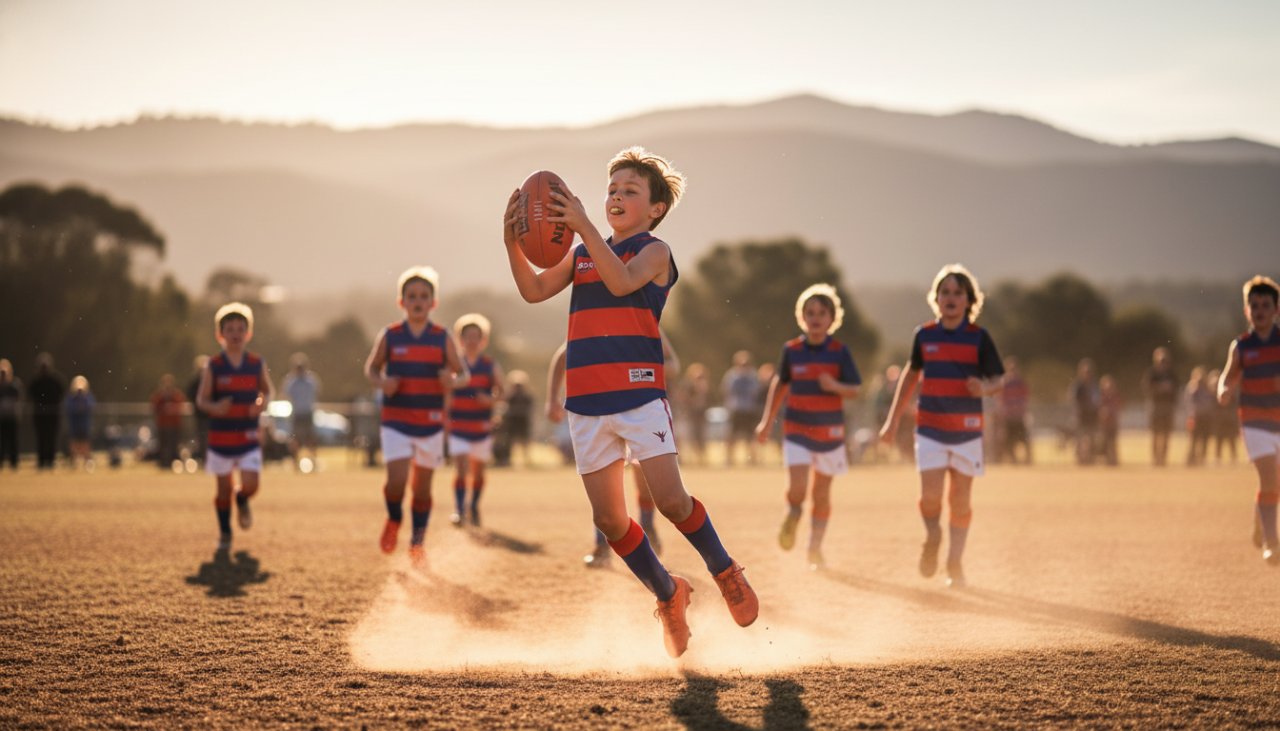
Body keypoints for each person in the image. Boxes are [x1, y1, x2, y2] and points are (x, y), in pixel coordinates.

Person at [502, 146, 757, 657]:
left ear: (655, 209)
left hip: (639, 398)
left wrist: (582, 225)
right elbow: (532, 290)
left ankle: (725, 570)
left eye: (630, 191)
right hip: (587, 405)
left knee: (671, 502)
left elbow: (621, 282)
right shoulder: (580, 255)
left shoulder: (655, 253)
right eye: (612, 190)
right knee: (610, 521)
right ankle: (669, 593)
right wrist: (511, 240)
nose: (616, 196)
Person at [878, 264, 1005, 589]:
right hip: (931, 430)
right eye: (945, 292)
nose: (950, 298)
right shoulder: (924, 335)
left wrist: (984, 388)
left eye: (957, 293)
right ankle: (933, 535)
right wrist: (892, 422)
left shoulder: (980, 338)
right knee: (931, 497)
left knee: (960, 501)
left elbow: (998, 379)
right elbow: (909, 376)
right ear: (936, 298)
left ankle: (955, 563)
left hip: (967, 433)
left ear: (969, 300)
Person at [364, 266, 469, 570]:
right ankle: (394, 518)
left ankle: (417, 542)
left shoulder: (441, 337)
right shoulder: (391, 335)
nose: (418, 301)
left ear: (433, 302)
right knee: (396, 483)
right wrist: (382, 382)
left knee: (422, 490)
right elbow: (371, 368)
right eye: (411, 296)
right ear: (402, 302)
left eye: (424, 296)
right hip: (396, 421)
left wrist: (452, 381)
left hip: (430, 425)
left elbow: (463, 374)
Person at [547, 331, 680, 569]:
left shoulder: (645, 319)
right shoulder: (595, 319)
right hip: (601, 409)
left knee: (645, 479)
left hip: (642, 409)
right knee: (604, 485)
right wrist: (552, 398)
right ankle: (601, 546)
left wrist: (638, 371)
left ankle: (647, 526)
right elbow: (563, 356)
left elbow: (673, 365)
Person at [755, 283, 862, 571]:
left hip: (830, 435)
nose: (815, 318)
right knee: (798, 489)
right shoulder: (792, 350)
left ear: (832, 318)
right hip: (798, 431)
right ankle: (792, 513)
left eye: (821, 313)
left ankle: (815, 548)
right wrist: (766, 421)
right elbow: (780, 385)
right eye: (810, 312)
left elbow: (854, 389)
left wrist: (834, 385)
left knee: (822, 495)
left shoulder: (840, 352)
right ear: (802, 317)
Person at [195, 303, 274, 552]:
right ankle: (225, 533)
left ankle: (242, 499)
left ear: (248, 333)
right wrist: (216, 408)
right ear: (221, 334)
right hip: (221, 437)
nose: (236, 333)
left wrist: (262, 403)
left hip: (248, 434)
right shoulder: (214, 365)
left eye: (241, 328)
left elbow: (268, 391)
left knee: (251, 485)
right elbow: (202, 400)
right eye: (230, 329)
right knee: (222, 489)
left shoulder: (255, 363)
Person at [1215, 275, 1280, 566]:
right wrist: (1224, 390)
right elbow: (1227, 377)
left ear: (1276, 309)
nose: (1260, 310)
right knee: (1268, 477)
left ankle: (1260, 515)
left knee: (1273, 484)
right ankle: (1271, 541)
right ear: (1246, 311)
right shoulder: (1241, 347)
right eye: (1254, 305)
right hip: (1254, 423)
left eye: (1266, 305)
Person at [447, 313, 505, 528]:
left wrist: (490, 399)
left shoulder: (489, 365)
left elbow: (502, 391)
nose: (471, 341)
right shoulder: (454, 365)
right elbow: (444, 390)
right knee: (461, 467)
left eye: (476, 337)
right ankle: (460, 510)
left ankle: (474, 506)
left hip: (481, 427)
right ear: (460, 339)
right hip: (458, 426)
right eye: (467, 337)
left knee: (478, 472)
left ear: (483, 340)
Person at [281, 352, 322, 472]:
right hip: (297, 414)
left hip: (308, 413)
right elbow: (285, 395)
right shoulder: (291, 381)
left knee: (311, 439)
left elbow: (316, 393)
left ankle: (313, 461)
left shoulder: (311, 380)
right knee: (295, 440)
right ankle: (295, 462)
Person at [721, 350, 760, 467]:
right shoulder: (732, 376)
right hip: (736, 409)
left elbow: (756, 392)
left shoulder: (753, 376)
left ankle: (752, 459)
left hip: (749, 410)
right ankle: (729, 459)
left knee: (750, 436)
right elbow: (726, 391)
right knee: (731, 436)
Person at [1141, 347, 1179, 467]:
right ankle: (1155, 458)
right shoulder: (1151, 373)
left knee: (1166, 434)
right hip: (1155, 406)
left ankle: (1163, 458)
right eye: (1161, 360)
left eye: (1165, 360)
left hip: (1168, 407)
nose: (1163, 363)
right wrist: (1160, 387)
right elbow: (1146, 388)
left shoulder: (1172, 374)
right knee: (1155, 433)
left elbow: (1177, 389)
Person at [27, 353, 65, 470]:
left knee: (51, 438)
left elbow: (61, 393)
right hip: (40, 415)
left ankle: (50, 460)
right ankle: (42, 461)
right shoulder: (36, 381)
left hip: (52, 415)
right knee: (41, 438)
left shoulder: (56, 380)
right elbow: (31, 395)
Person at [674, 362, 711, 466]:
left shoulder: (705, 387)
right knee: (688, 437)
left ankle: (702, 458)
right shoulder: (687, 386)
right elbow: (682, 399)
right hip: (689, 415)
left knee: (701, 437)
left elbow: (708, 401)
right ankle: (685, 459)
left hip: (700, 415)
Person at [997, 356, 1032, 465]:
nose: (1013, 371)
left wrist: (1023, 409)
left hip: (1019, 416)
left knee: (1024, 439)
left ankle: (1027, 460)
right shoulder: (1004, 383)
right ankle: (1013, 460)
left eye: (1014, 368)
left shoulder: (1020, 382)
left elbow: (1026, 397)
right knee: (1009, 441)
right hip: (1009, 417)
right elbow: (1000, 400)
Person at [1068, 358, 1101, 465]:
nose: (1088, 374)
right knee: (1080, 438)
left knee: (1092, 437)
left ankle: (1091, 457)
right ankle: (1080, 459)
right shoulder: (1077, 386)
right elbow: (1074, 400)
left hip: (1092, 415)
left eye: (1089, 371)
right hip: (1081, 415)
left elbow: (1098, 400)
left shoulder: (1094, 385)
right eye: (1086, 372)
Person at [150, 373, 186, 469]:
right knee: (163, 445)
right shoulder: (159, 395)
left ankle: (172, 463)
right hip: (162, 424)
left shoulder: (176, 394)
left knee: (174, 444)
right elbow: (154, 406)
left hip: (174, 424)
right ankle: (163, 463)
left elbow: (180, 406)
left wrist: (172, 408)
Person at [498, 371, 533, 468]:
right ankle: (508, 460)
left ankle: (527, 461)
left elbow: (529, 409)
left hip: (523, 422)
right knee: (510, 442)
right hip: (512, 422)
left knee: (524, 442)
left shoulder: (527, 397)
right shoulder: (509, 396)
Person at [1185, 366, 1215, 466]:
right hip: (1195, 417)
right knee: (1193, 439)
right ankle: (1191, 459)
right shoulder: (1193, 387)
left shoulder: (1208, 388)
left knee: (1205, 439)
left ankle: (1202, 458)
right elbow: (1189, 402)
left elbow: (1212, 401)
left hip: (1206, 417)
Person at [65, 375, 96, 470]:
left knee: (85, 444)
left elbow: (91, 406)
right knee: (74, 444)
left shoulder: (87, 397)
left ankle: (87, 462)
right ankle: (73, 462)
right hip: (75, 425)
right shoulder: (71, 398)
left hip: (84, 425)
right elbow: (69, 408)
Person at [1209, 368, 1239, 464]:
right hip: (1219, 420)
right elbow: (1213, 407)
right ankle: (1218, 458)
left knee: (1231, 438)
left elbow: (1234, 404)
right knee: (1219, 439)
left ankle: (1234, 457)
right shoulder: (1213, 394)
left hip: (1229, 419)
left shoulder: (1229, 391)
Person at [186, 355, 211, 466]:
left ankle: (212, 460)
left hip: (212, 415)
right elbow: (190, 395)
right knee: (202, 438)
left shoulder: (213, 381)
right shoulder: (195, 382)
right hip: (201, 416)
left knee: (212, 438)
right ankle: (204, 459)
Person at [0, 359, 21, 470]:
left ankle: (14, 463)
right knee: (2, 442)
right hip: (2, 419)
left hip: (12, 418)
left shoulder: (14, 385)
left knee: (13, 441)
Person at [1098, 374, 1122, 466]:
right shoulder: (1100, 396)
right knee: (1104, 441)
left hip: (1112, 423)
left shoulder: (1115, 395)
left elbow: (1119, 406)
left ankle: (1113, 460)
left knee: (1112, 441)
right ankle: (1107, 459)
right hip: (1103, 424)